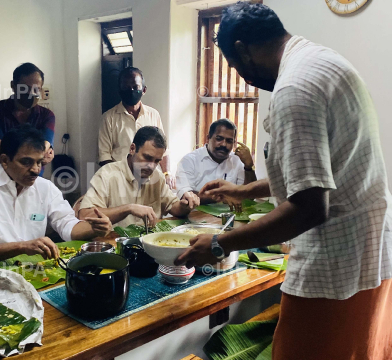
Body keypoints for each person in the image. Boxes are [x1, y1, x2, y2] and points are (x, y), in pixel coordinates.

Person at [175, 3, 392, 360]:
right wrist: (245, 190)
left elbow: (309, 207)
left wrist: (218, 244)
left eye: (234, 66)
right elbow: (320, 170)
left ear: (243, 50)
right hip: (372, 253)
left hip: (336, 267)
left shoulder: (294, 90)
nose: (242, 77)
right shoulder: (322, 61)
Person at [0, 125, 112, 266]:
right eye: (26, 162)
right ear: (5, 160)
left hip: (33, 274)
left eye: (39, 162)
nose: (36, 170)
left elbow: (68, 227)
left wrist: (94, 228)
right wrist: (22, 246)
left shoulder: (45, 189)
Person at [80, 126, 199, 228]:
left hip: (150, 244)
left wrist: (186, 204)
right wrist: (128, 209)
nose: (151, 166)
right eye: (147, 157)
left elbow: (173, 207)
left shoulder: (157, 176)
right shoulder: (107, 174)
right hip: (116, 245)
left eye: (157, 161)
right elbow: (85, 214)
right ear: (132, 149)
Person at [98, 67, 175, 189]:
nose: (131, 90)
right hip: (121, 182)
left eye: (135, 87)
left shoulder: (153, 114)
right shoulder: (108, 118)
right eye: (126, 87)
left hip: (151, 180)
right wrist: (120, 179)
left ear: (143, 90)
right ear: (119, 90)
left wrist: (167, 174)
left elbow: (163, 150)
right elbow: (104, 157)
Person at [0, 62, 55, 174]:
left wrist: (4, 146)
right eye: (25, 88)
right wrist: (35, 155)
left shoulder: (47, 115)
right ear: (13, 85)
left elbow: (43, 149)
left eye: (36, 89)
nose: (31, 93)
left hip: (33, 181)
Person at [175, 118, 256, 203]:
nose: (224, 144)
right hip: (196, 214)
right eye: (219, 138)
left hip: (231, 214)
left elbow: (249, 196)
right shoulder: (189, 161)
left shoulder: (237, 161)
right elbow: (186, 194)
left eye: (229, 141)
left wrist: (249, 167)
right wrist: (222, 197)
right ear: (208, 138)